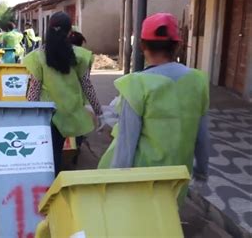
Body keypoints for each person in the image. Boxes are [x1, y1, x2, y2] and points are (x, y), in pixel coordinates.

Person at [97, 13, 210, 203]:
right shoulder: (198, 81)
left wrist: (115, 182)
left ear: (142, 46)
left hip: (144, 179)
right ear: (177, 45)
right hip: (177, 176)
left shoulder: (137, 84)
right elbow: (202, 135)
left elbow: (126, 142)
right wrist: (201, 172)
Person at [24, 12, 102, 175]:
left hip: (50, 114)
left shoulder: (37, 57)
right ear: (69, 32)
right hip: (73, 113)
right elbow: (87, 85)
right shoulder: (80, 55)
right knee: (72, 148)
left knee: (53, 153)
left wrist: (29, 113)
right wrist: (98, 110)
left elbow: (34, 88)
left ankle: (52, 186)